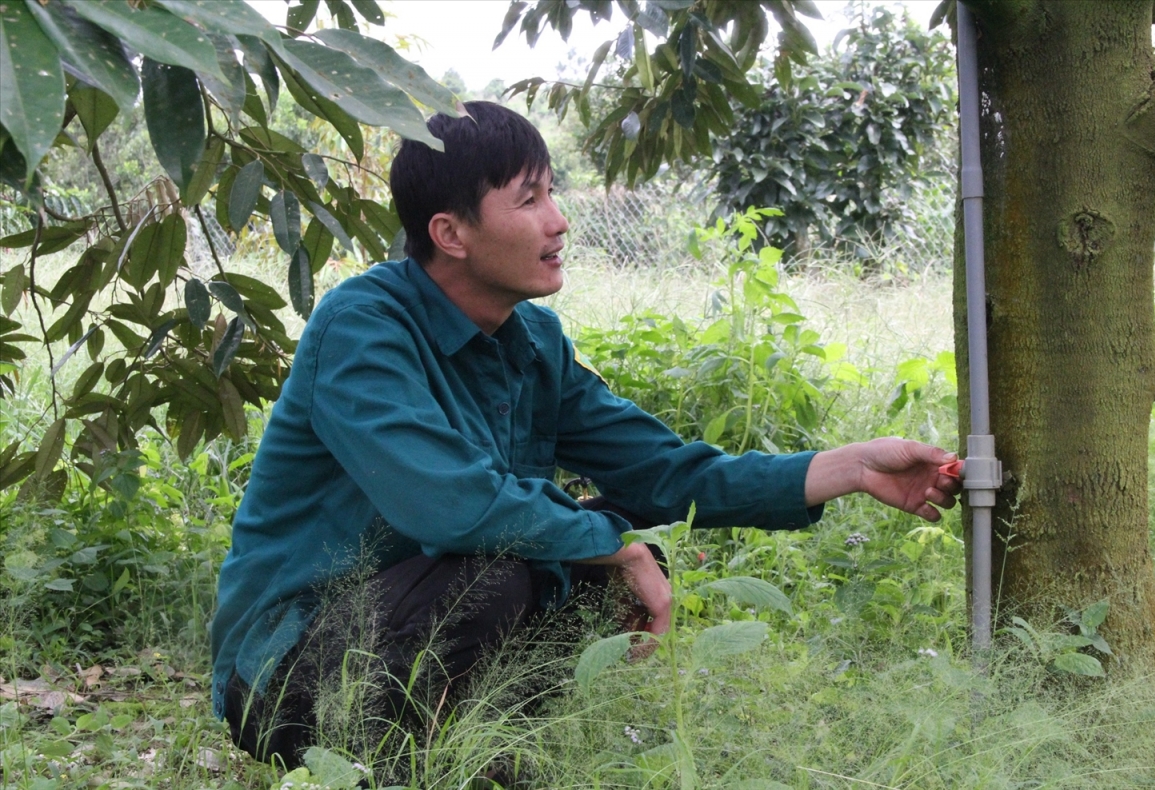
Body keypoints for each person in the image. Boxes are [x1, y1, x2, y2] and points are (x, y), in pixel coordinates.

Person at [210, 101, 961, 769]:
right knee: (514, 563)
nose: (559, 220)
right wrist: (613, 544)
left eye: (552, 193)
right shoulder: (363, 327)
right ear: (451, 233)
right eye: (529, 199)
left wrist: (852, 467)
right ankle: (404, 760)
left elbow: (666, 472)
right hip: (287, 671)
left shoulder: (533, 342)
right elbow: (451, 506)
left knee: (608, 537)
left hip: (404, 622)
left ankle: (481, 751)